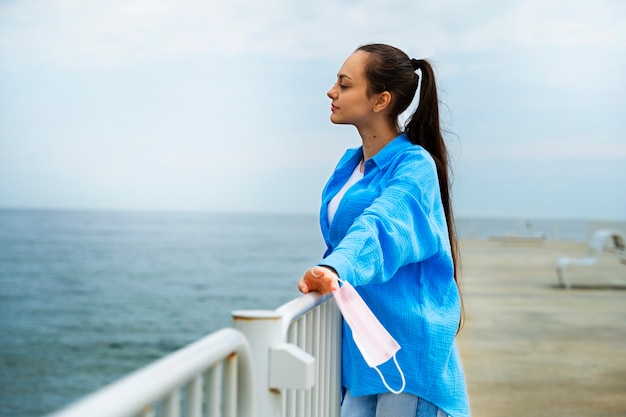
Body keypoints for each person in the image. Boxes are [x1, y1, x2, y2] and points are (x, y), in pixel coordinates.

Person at [297, 44, 471, 417]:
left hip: (408, 354)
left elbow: (383, 225)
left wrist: (334, 268)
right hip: (363, 352)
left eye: (344, 85)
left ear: (381, 101)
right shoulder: (350, 166)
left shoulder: (414, 165)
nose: (332, 92)